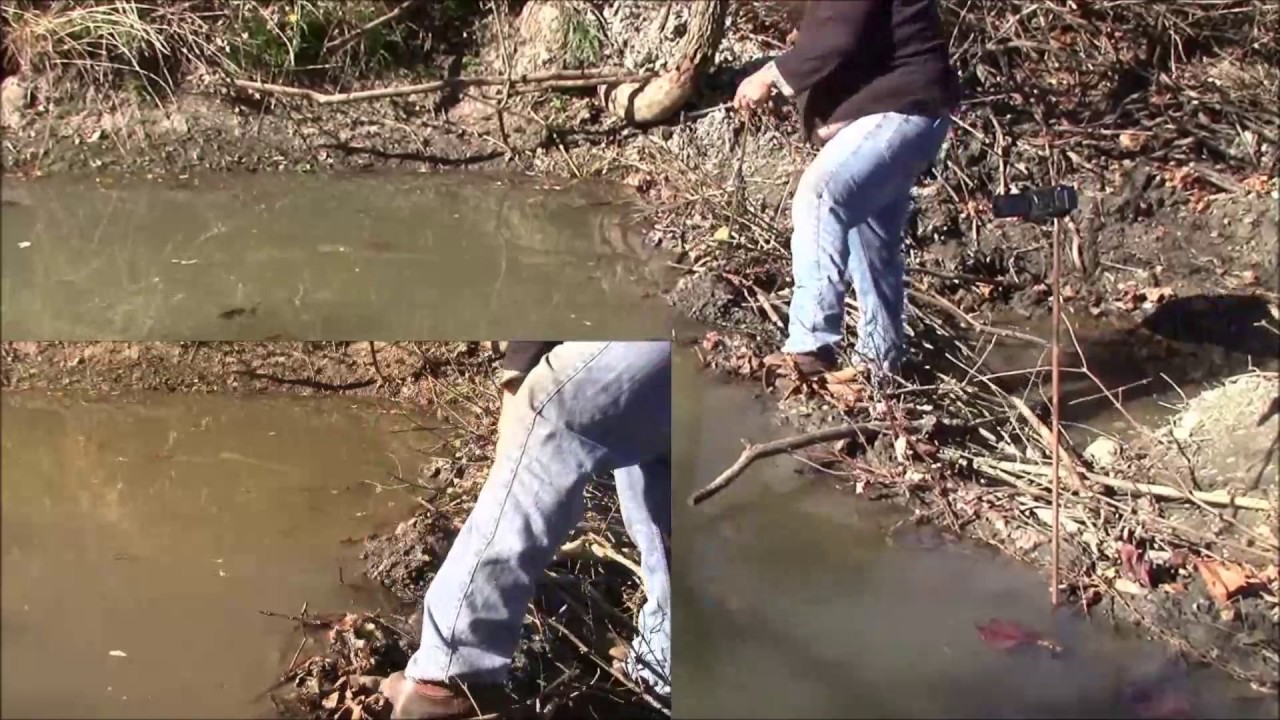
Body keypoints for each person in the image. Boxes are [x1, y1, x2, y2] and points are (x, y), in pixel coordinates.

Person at [380, 341, 672, 719]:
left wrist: (518, 377)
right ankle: (662, 676)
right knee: (662, 468)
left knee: (547, 416)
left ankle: (447, 678)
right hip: (747, 335)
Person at [734, 0, 961, 379]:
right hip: (916, 111)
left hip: (903, 110)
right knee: (870, 237)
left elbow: (836, 36)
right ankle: (881, 364)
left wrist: (771, 76)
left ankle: (810, 346)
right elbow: (842, 33)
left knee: (821, 197)